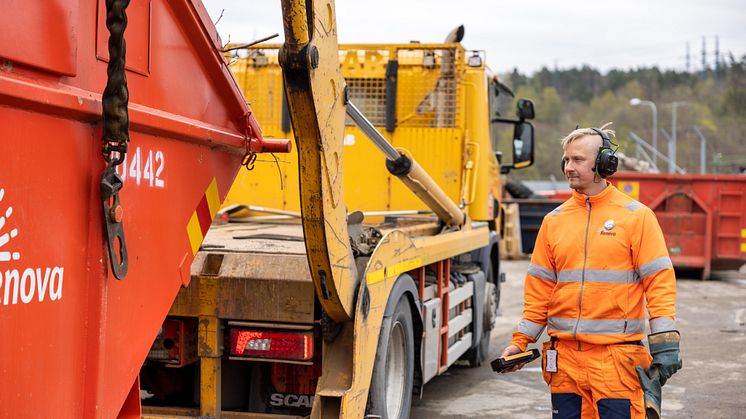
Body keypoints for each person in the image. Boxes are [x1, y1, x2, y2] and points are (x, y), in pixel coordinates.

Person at [500, 124, 682, 419]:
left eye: (578, 160)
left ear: (604, 164)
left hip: (616, 362)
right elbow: (539, 292)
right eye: (566, 160)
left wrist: (665, 341)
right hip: (565, 362)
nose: (568, 167)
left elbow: (658, 281)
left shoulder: (636, 217)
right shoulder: (554, 221)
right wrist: (519, 342)